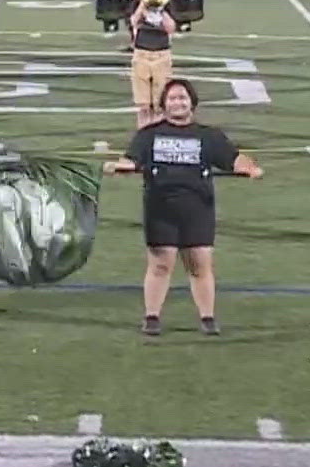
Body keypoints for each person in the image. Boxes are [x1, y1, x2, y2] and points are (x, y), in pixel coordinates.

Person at [104, 78, 262, 336]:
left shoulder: (209, 135)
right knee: (160, 264)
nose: (178, 102)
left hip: (198, 207)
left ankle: (208, 317)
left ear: (192, 103)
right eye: (173, 98)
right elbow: (131, 160)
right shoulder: (149, 134)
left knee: (200, 264)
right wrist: (119, 166)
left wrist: (251, 168)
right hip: (160, 208)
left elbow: (234, 159)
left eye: (183, 98)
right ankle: (152, 316)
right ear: (164, 104)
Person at [129, 0, 178, 128]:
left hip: (162, 54)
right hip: (141, 53)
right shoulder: (140, 2)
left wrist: (161, 7)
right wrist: (144, 2)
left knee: (159, 105)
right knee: (143, 106)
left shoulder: (167, 3)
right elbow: (134, 21)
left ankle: (156, 136)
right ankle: (142, 136)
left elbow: (171, 28)